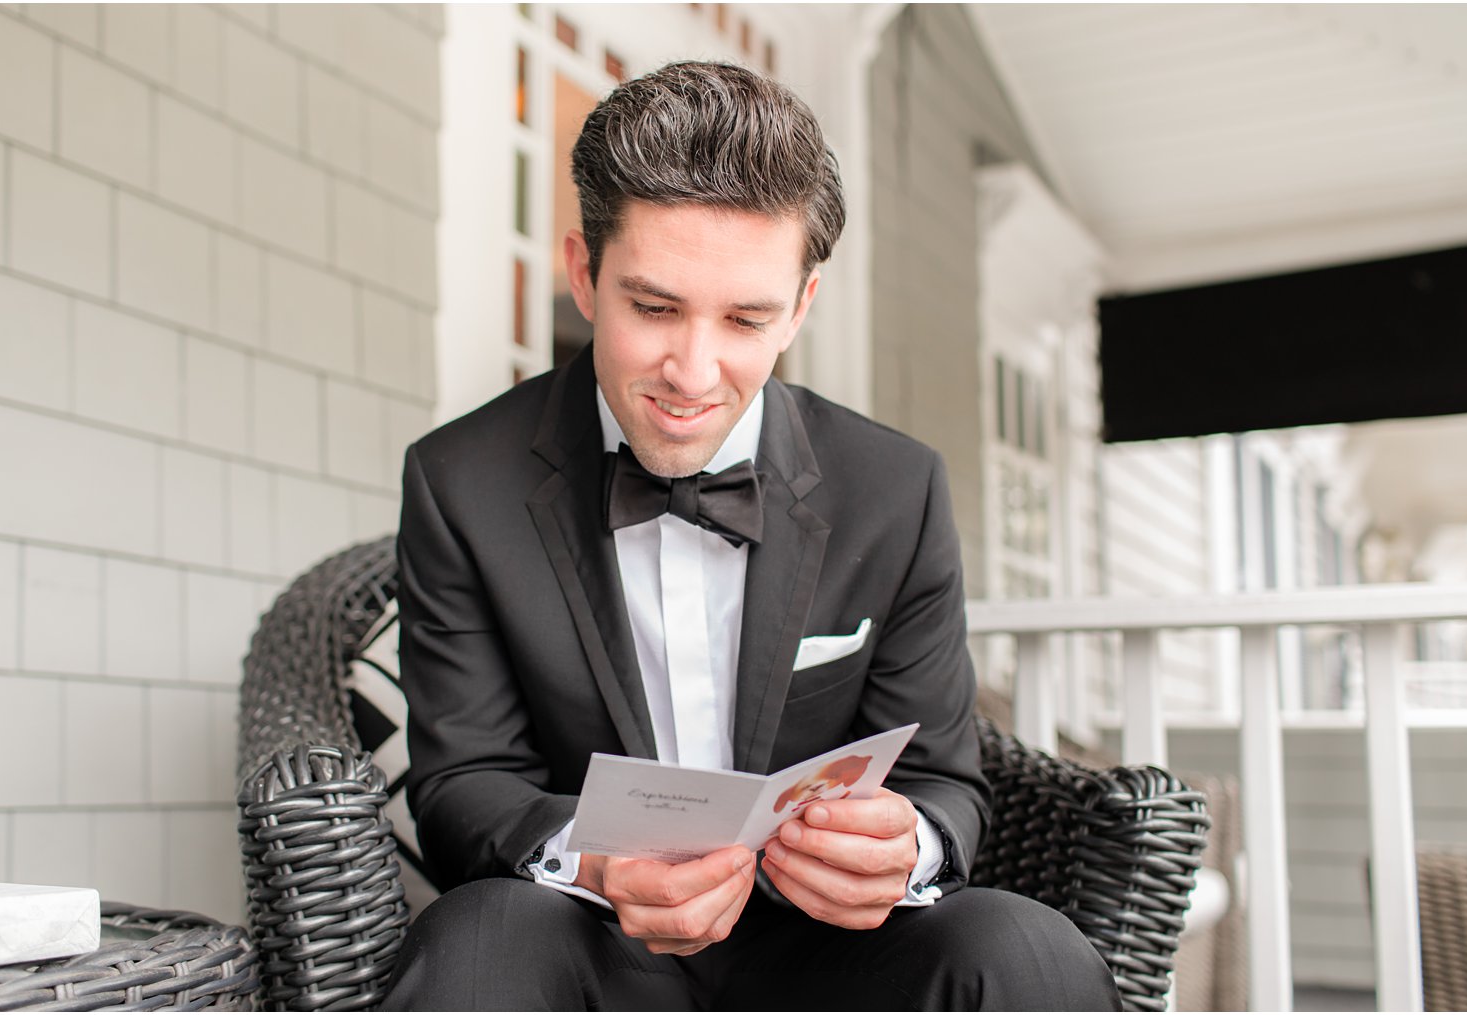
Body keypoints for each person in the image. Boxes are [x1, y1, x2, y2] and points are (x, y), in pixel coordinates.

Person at [385, 61, 1121, 1011]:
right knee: (474, 944)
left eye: (745, 319)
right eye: (653, 307)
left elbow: (946, 780)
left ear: (802, 306)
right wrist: (597, 860)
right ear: (584, 273)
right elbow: (464, 786)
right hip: (586, 940)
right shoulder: (459, 482)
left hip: (834, 958)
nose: (693, 371)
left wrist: (907, 846)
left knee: (1025, 949)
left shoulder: (895, 490)